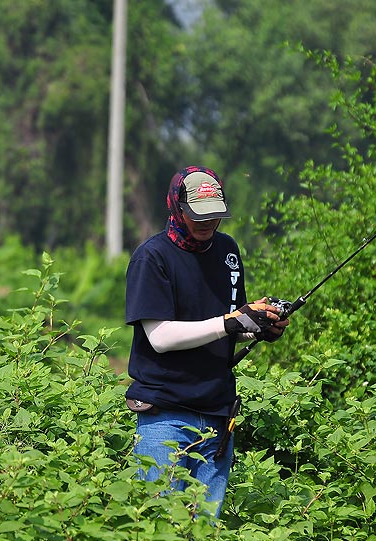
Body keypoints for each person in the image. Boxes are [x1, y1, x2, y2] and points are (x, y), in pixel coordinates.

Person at [124, 165, 289, 516]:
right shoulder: (152, 257)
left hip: (217, 414)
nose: (207, 222)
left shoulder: (227, 250)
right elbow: (161, 337)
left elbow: (229, 321)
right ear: (176, 208)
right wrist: (229, 323)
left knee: (205, 531)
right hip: (164, 414)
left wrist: (259, 326)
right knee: (160, 524)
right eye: (197, 214)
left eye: (214, 215)